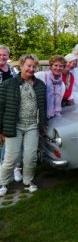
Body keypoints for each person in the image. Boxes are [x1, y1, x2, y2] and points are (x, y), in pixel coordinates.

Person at [0, 54, 47, 197]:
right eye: (28, 66)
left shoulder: (40, 85)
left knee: (30, 157)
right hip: (14, 126)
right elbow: (0, 107)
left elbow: (42, 106)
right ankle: (3, 182)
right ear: (21, 66)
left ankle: (28, 181)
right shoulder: (9, 84)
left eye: (34, 66)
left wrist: (42, 124)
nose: (31, 69)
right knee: (11, 158)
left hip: (32, 126)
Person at [0, 45, 21, 182]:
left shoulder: (13, 70)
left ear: (8, 56)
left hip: (11, 110)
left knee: (10, 139)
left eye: (4, 55)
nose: (2, 57)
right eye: (0, 55)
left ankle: (12, 167)